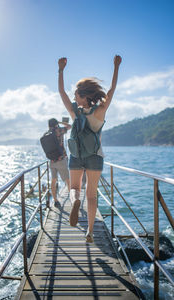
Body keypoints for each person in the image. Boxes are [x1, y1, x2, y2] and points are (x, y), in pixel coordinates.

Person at [58, 55, 122, 242]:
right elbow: (112, 90)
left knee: (75, 188)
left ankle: (75, 201)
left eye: (76, 95)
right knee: (92, 195)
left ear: (83, 96)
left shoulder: (74, 112)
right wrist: (116, 66)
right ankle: (90, 232)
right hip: (95, 156)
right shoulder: (100, 111)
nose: (73, 97)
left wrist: (61, 69)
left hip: (76, 155)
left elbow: (60, 91)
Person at [48, 118, 71, 206]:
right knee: (67, 180)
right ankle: (72, 199)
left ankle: (55, 200)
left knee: (53, 180)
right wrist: (61, 122)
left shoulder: (47, 133)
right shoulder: (59, 130)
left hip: (52, 161)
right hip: (61, 159)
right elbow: (69, 126)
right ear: (56, 124)